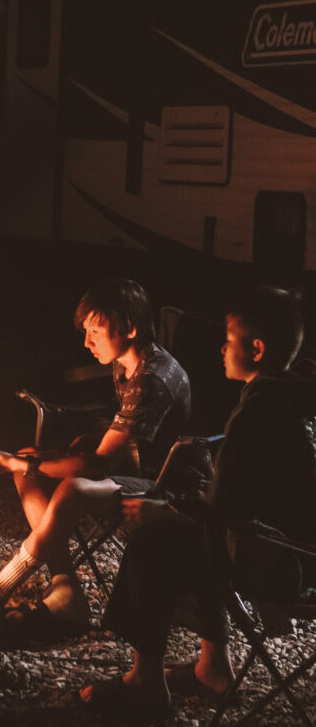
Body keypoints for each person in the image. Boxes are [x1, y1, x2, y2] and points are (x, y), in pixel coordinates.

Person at [78, 284, 316, 716]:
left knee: (152, 542)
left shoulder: (259, 410)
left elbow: (219, 513)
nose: (221, 350)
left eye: (229, 341)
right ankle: (212, 667)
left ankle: (145, 682)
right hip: (298, 554)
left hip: (277, 564)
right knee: (185, 537)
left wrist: (161, 509)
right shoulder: (294, 397)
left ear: (257, 349)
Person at [0, 277, 191, 633]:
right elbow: (134, 434)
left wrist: (9, 463)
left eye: (95, 330)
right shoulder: (129, 363)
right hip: (135, 465)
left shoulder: (151, 378)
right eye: (85, 330)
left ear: (128, 327)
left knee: (70, 488)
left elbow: (99, 464)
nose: (86, 341)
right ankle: (65, 590)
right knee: (28, 464)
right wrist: (26, 461)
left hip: (163, 485)